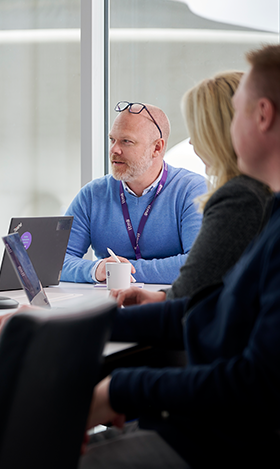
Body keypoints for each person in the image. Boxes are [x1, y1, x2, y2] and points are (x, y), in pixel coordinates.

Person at [75, 44, 280, 469]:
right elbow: (205, 307)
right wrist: (81, 325)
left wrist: (120, 388)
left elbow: (258, 383)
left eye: (236, 112)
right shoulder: (270, 210)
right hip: (211, 427)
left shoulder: (242, 200)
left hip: (224, 446)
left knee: (39, 461)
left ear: (261, 115)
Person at [111, 71, 272, 307]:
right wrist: (165, 297)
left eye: (197, 130)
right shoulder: (261, 193)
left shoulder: (239, 199)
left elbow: (189, 307)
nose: (192, 142)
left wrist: (93, 324)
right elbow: (203, 290)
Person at [62, 103, 207, 284]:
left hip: (169, 304)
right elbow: (57, 261)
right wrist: (96, 269)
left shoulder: (191, 190)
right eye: (112, 140)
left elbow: (199, 263)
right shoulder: (92, 195)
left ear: (157, 148)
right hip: (108, 303)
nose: (114, 149)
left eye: (126, 141)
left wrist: (119, 272)